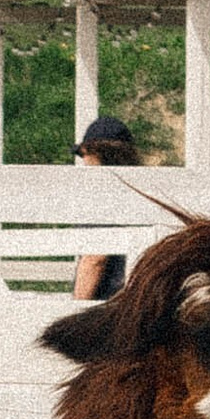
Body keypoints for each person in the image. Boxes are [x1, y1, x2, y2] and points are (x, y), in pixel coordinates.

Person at [72, 112, 137, 298]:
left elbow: (95, 259)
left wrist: (75, 308)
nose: (83, 161)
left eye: (82, 154)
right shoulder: (136, 191)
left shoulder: (104, 195)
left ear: (95, 153)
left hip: (105, 304)